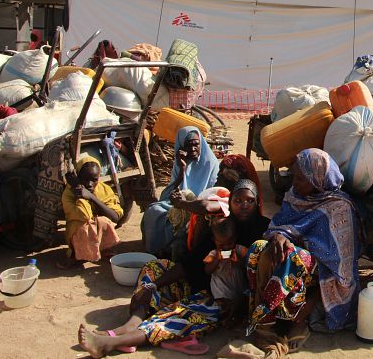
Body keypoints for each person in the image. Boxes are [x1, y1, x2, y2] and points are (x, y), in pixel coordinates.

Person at [77, 178, 268, 358]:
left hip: (224, 300)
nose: (244, 205)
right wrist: (153, 286)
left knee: (180, 316)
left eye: (250, 201)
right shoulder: (221, 225)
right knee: (155, 268)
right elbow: (190, 263)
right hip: (199, 284)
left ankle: (111, 342)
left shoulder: (263, 230)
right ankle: (131, 324)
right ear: (231, 201)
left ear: (257, 202)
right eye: (238, 200)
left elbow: (261, 279)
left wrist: (241, 305)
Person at [244, 148, 363, 354]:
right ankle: (267, 321)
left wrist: (291, 242)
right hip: (296, 262)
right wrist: (278, 237)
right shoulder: (295, 196)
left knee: (293, 257)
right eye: (293, 177)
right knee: (259, 249)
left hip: (323, 278)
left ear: (317, 179)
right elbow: (279, 227)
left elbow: (341, 266)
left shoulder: (339, 208)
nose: (294, 183)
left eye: (300, 179)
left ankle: (294, 318)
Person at [141, 126, 219, 256]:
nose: (193, 149)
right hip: (178, 201)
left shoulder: (211, 163)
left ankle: (172, 252)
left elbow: (212, 192)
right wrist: (182, 169)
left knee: (181, 221)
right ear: (182, 146)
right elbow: (172, 190)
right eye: (189, 145)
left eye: (196, 145)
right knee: (153, 211)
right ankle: (156, 250)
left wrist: (188, 202)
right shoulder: (181, 162)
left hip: (199, 204)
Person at [58, 157, 123, 269]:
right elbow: (84, 216)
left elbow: (115, 217)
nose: (89, 184)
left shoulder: (104, 189)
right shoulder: (68, 194)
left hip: (95, 227)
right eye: (84, 179)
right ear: (78, 177)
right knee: (85, 226)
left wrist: (91, 197)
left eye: (94, 180)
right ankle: (76, 255)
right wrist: (79, 191)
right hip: (78, 228)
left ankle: (105, 249)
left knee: (104, 221)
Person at [204, 216, 248, 321]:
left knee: (240, 308)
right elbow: (207, 270)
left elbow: (250, 266)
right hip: (221, 292)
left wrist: (238, 261)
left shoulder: (240, 250)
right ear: (214, 240)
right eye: (222, 244)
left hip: (238, 289)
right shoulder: (213, 254)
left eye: (230, 243)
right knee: (222, 310)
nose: (227, 247)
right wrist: (216, 260)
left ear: (235, 237)